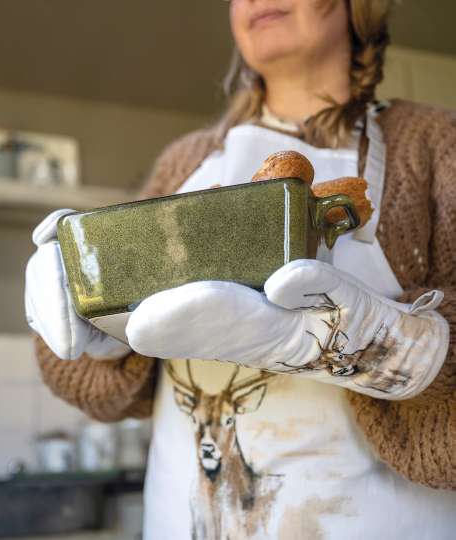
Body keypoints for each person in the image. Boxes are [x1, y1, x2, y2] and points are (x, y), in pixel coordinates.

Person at [25, 1, 456, 538]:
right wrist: (99, 327)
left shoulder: (436, 146)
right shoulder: (184, 162)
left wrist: (393, 347)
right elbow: (97, 387)